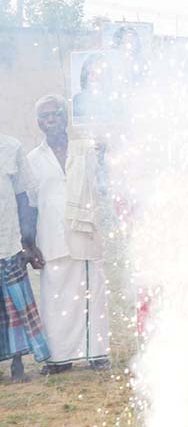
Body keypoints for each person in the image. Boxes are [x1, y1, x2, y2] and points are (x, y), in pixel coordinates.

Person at [28, 95, 110, 373]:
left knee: (92, 293)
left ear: (66, 117)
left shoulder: (86, 149)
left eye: (57, 114)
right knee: (55, 299)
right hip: (51, 239)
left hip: (85, 232)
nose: (51, 120)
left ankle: (97, 353)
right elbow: (29, 204)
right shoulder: (33, 159)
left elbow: (103, 181)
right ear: (39, 123)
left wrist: (104, 153)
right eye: (46, 116)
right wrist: (28, 244)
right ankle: (59, 359)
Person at [0, 133, 50, 381]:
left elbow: (23, 198)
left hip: (7, 239)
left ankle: (17, 362)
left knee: (15, 306)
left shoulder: (10, 147)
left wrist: (28, 242)